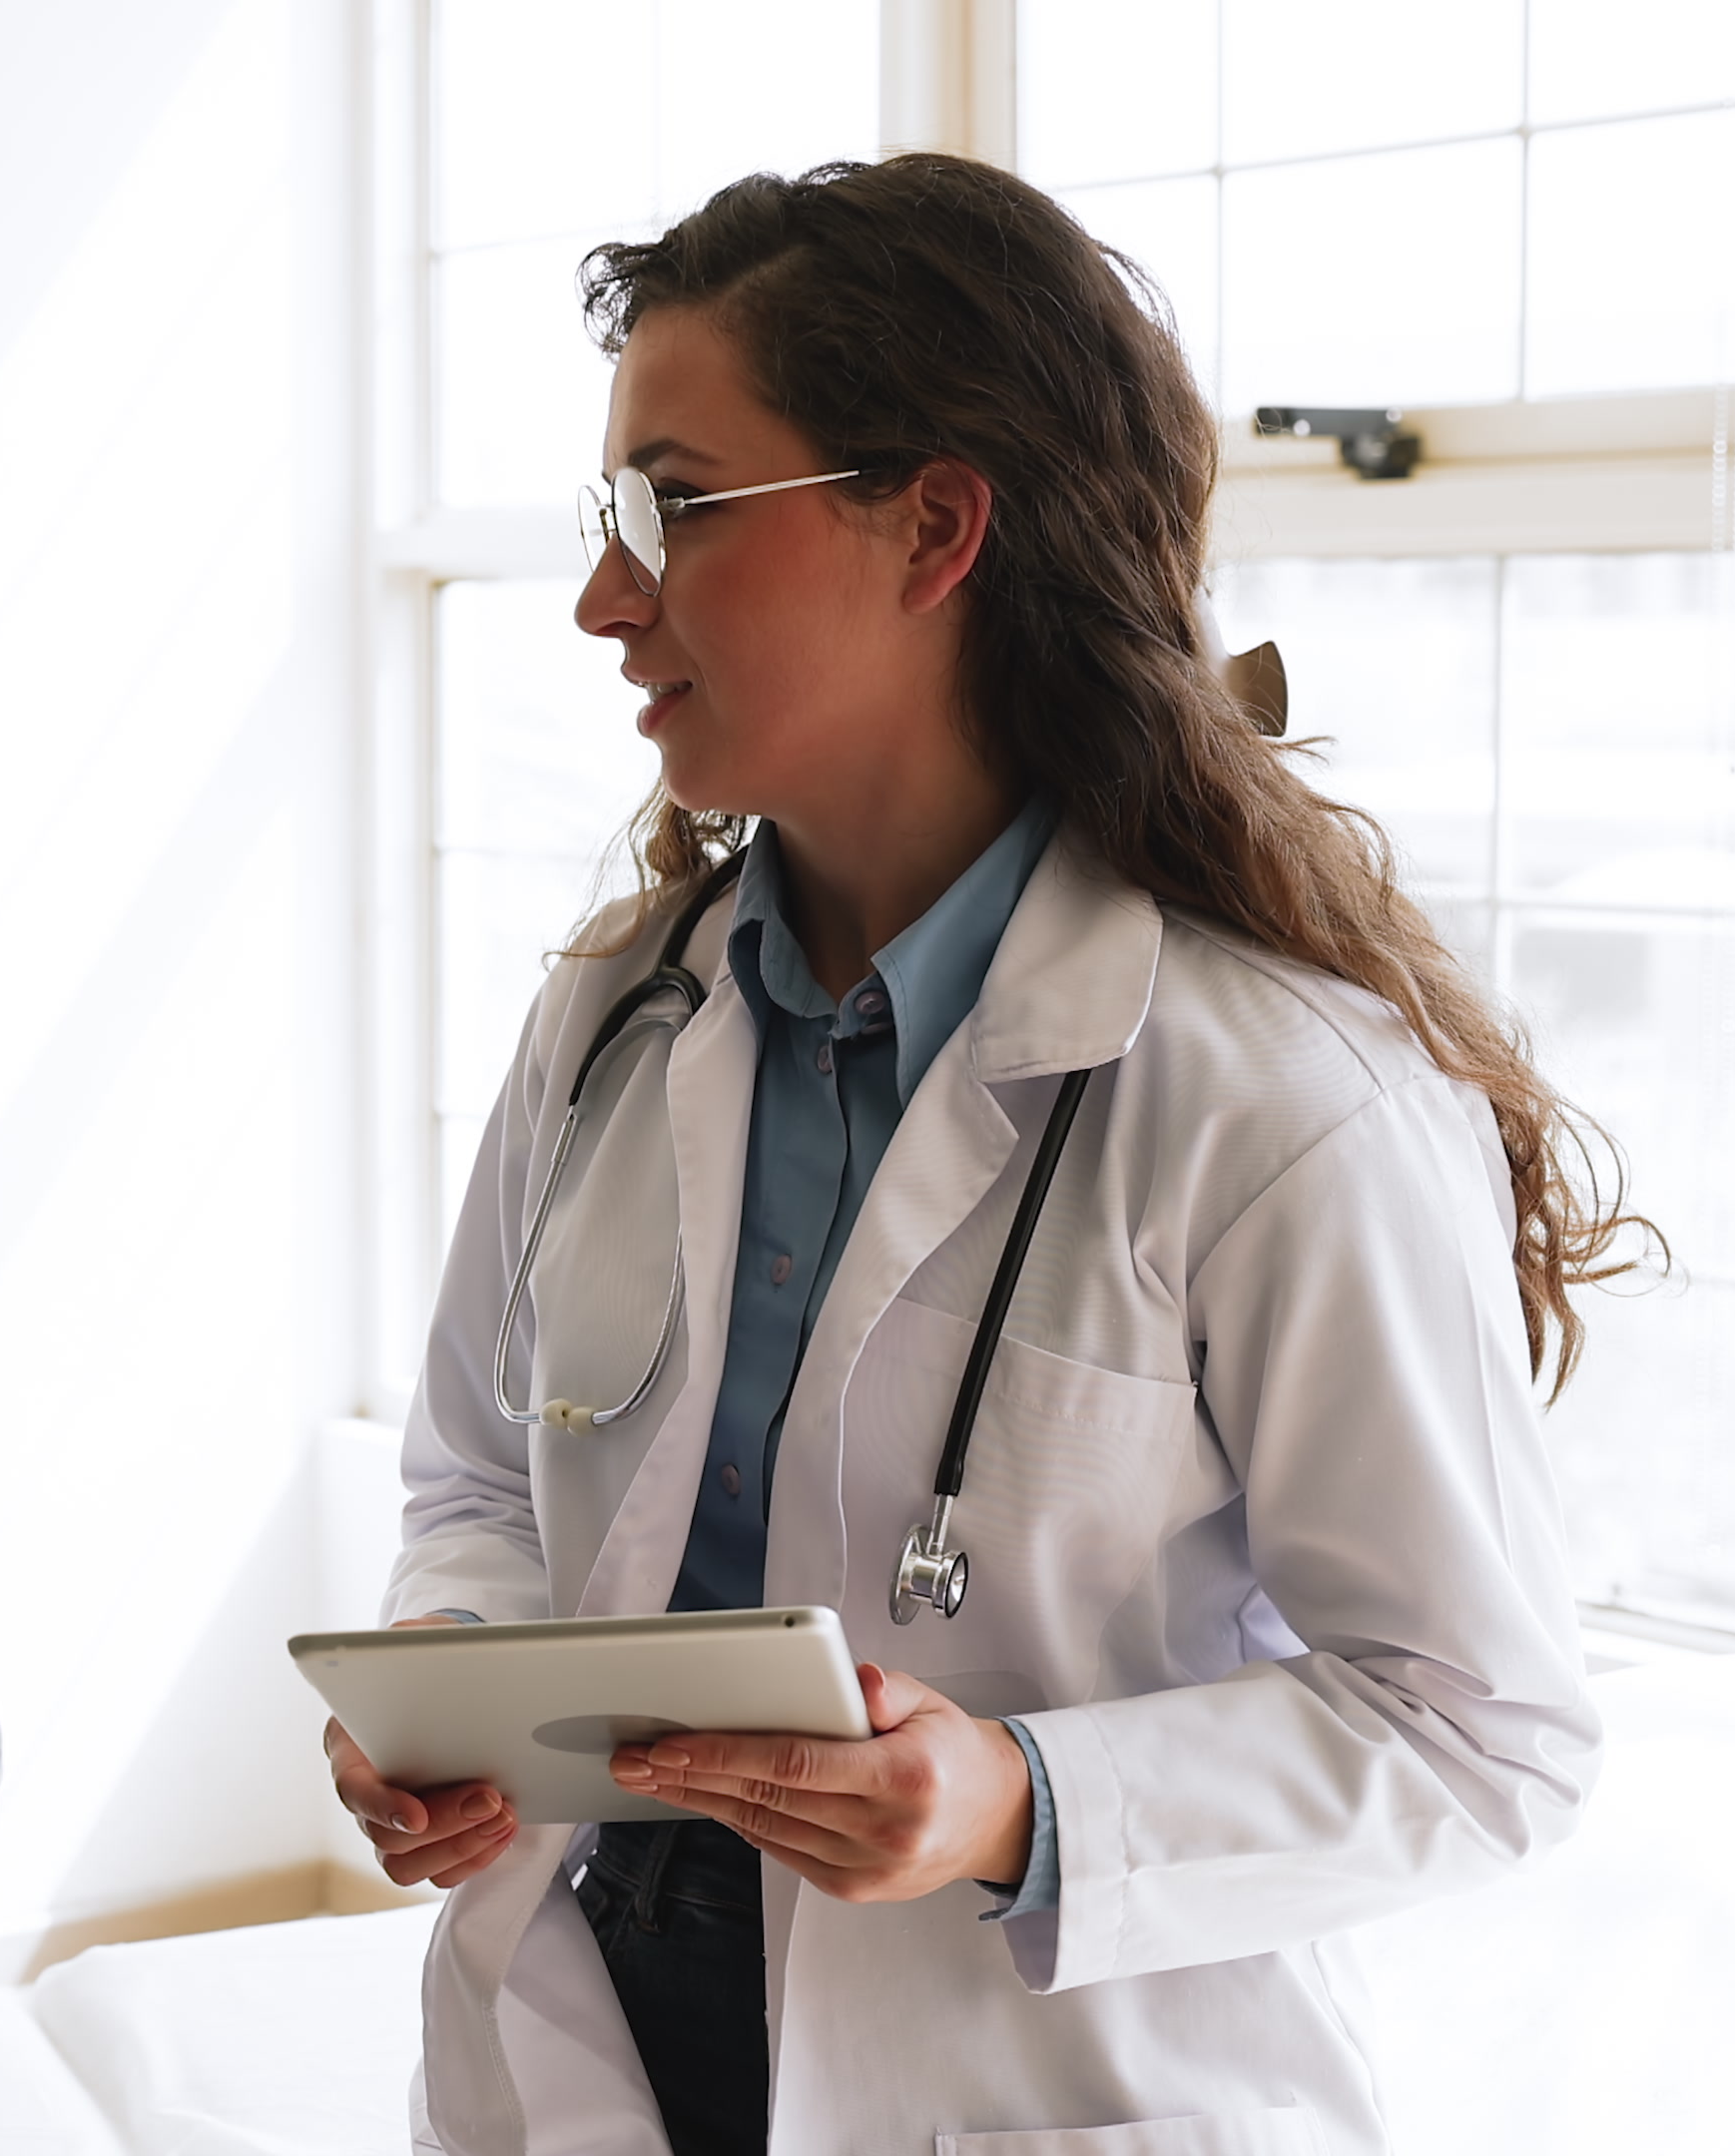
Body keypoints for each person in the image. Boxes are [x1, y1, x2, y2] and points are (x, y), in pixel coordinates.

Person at [321, 156, 1619, 2156]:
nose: (600, 596)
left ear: (927, 525)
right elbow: (482, 1474)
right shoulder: (613, 1014)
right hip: (584, 2074)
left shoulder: (1270, 1094)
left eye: (669, 506)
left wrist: (1018, 1804)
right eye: (605, 516)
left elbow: (1479, 1729)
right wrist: (454, 1689)